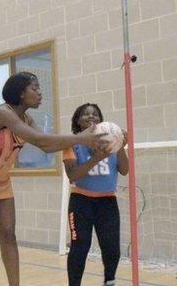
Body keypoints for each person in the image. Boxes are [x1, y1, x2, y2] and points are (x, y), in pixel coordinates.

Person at [0, 71, 108, 286]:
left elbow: (46, 145)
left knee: (9, 236)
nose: (40, 94)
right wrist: (81, 138)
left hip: (1, 181)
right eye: (35, 89)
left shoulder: (27, 118)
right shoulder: (3, 113)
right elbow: (40, 139)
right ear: (21, 93)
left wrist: (83, 140)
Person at [63, 103, 128, 286]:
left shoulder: (111, 142)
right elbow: (73, 175)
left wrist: (120, 145)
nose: (92, 117)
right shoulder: (71, 143)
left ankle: (110, 281)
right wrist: (95, 158)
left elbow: (124, 170)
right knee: (80, 247)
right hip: (81, 202)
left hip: (107, 202)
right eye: (86, 114)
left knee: (112, 249)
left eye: (96, 115)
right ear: (78, 120)